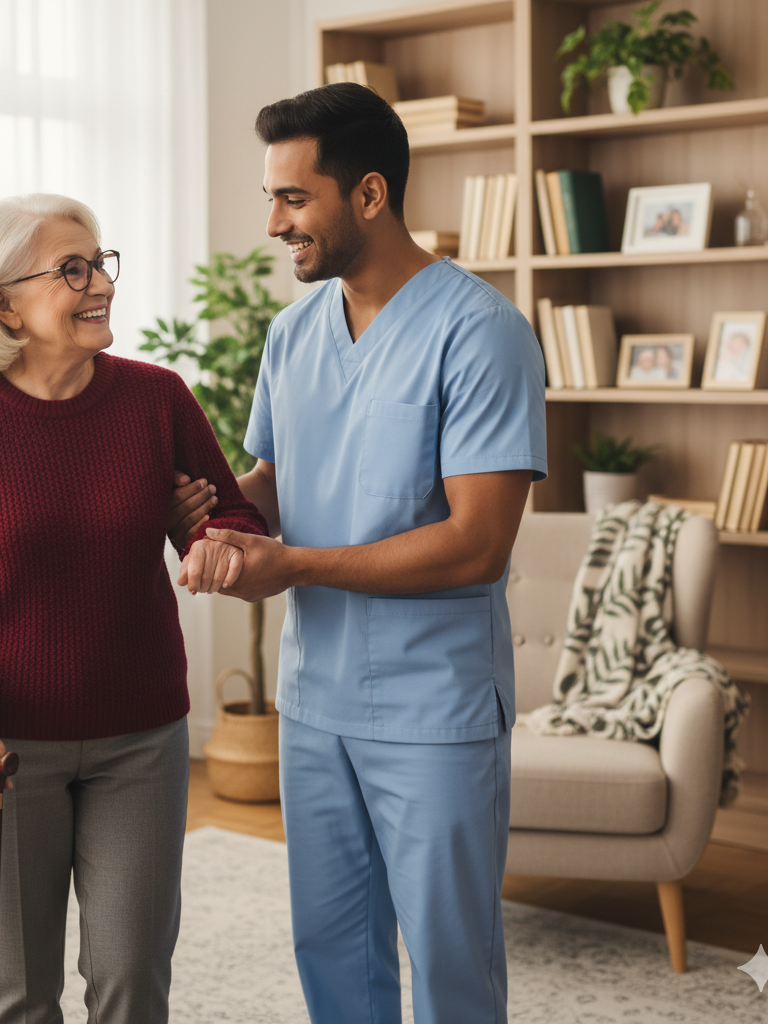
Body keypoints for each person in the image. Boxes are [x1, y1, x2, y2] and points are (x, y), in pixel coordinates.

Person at [178, 83, 547, 1023]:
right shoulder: (291, 334)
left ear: (370, 195)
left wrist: (291, 565)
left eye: (294, 199)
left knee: (451, 964)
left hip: (433, 708)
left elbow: (478, 546)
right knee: (333, 952)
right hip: (314, 701)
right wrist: (214, 516)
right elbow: (272, 483)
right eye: (272, 199)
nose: (273, 224)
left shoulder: (483, 334)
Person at [0, 193, 267, 1024]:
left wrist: (208, 541)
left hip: (141, 740)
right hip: (1, 749)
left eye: (101, 263)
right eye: (73, 270)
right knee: (19, 996)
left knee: (132, 981)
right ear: (2, 303)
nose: (102, 286)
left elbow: (235, 514)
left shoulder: (156, 399)